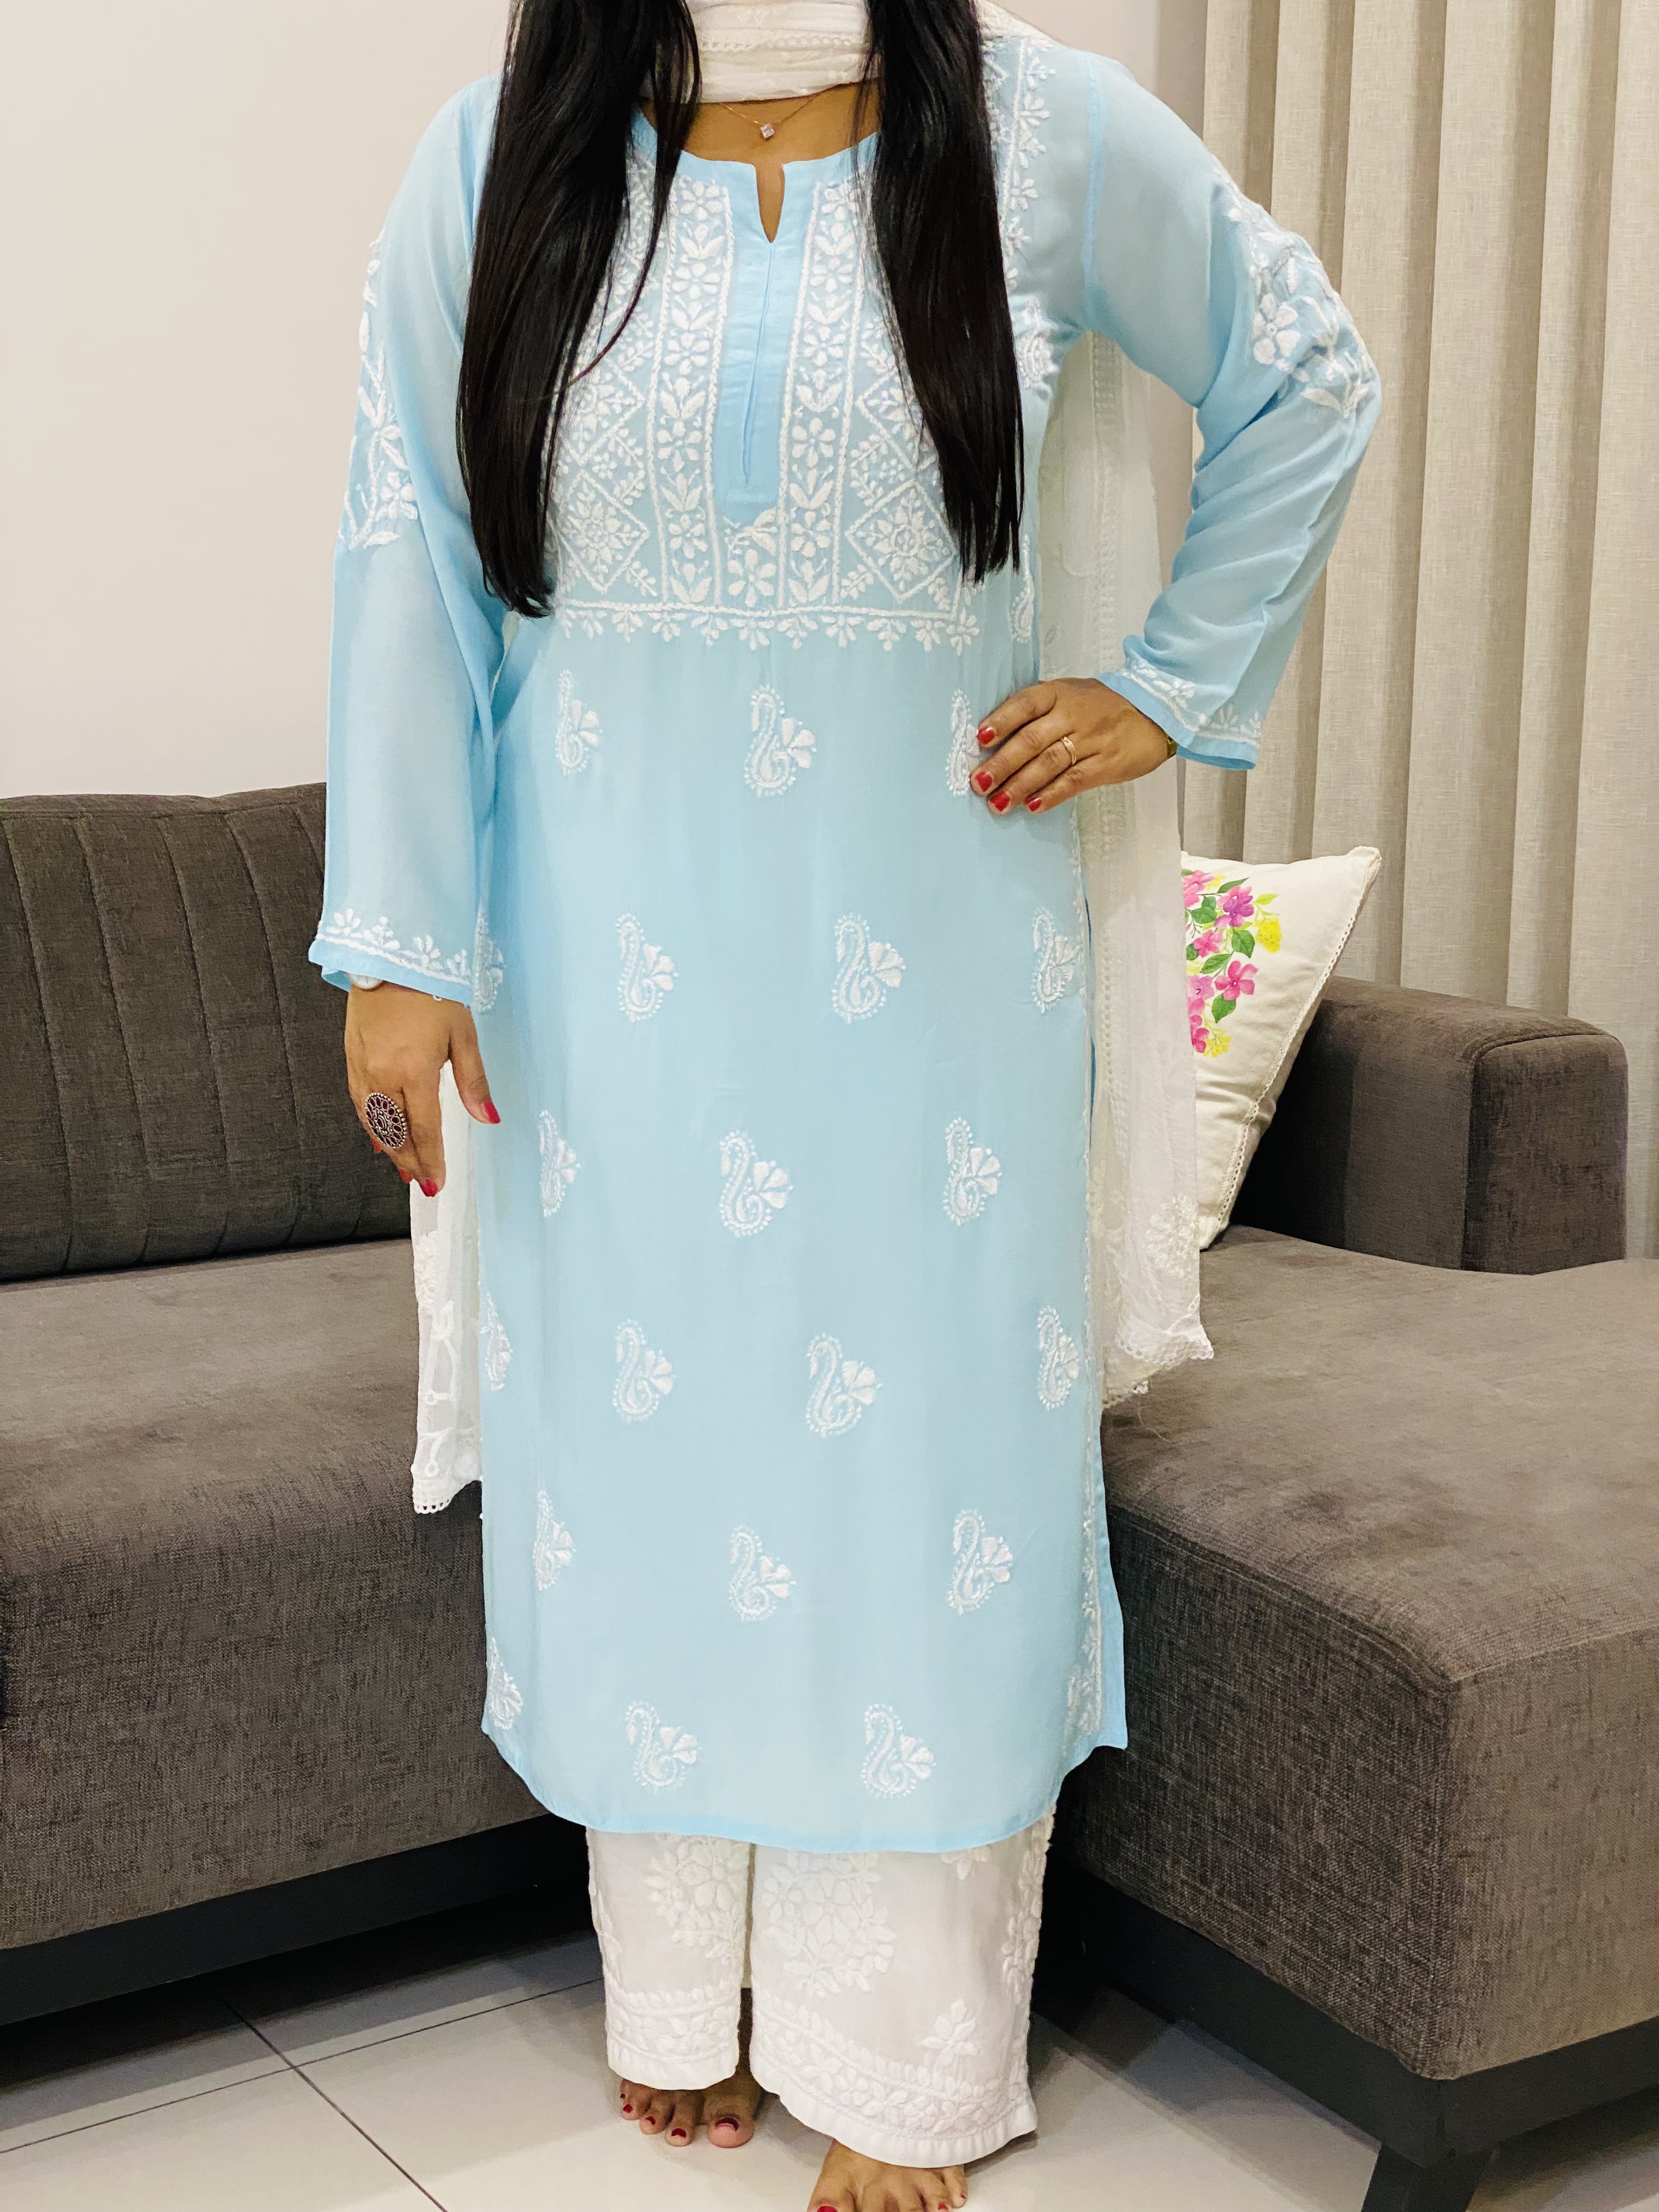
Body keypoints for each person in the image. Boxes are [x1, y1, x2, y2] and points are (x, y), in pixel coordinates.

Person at [310, 2, 1379, 2206]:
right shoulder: (499, 161)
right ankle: (683, 1999)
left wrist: (1167, 686)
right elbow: (407, 541)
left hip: (936, 990)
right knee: (653, 1463)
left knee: (917, 1484)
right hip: (605, 996)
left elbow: (1305, 369)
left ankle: (902, 2063)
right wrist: (401, 949)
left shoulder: (1042, 132)